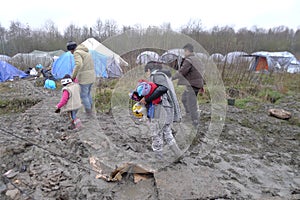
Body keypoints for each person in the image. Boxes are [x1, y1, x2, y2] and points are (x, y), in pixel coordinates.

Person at [140, 62, 182, 160]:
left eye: (146, 72)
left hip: (160, 109)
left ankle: (158, 159)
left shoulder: (157, 75)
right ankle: (178, 155)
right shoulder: (165, 76)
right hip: (167, 108)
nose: (147, 75)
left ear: (149, 70)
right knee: (167, 132)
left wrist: (146, 99)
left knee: (156, 133)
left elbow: (162, 89)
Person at [172, 43, 204, 128]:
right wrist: (202, 85)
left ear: (187, 51)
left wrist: (171, 78)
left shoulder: (189, 60)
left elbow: (182, 72)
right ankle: (189, 115)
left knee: (191, 103)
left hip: (192, 85)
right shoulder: (197, 59)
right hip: (196, 84)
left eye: (184, 51)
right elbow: (200, 73)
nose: (184, 53)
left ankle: (195, 121)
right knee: (184, 99)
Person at [67, 41, 96, 116]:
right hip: (92, 76)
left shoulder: (77, 53)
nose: (70, 53)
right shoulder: (85, 52)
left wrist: (73, 76)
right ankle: (91, 110)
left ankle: (88, 112)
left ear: (72, 49)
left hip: (85, 77)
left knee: (83, 95)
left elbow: (79, 64)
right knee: (88, 94)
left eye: (70, 51)